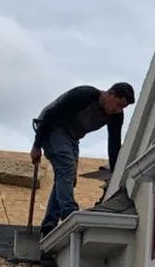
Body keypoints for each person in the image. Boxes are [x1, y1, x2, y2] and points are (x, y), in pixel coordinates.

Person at [29, 82, 135, 235]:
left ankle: (49, 224)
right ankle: (69, 211)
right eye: (118, 105)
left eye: (122, 108)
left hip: (72, 137)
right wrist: (37, 146)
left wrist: (115, 173)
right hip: (51, 127)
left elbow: (114, 143)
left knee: (68, 178)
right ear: (110, 94)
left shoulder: (116, 116)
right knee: (66, 167)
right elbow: (51, 115)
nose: (117, 110)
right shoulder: (85, 95)